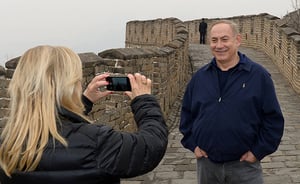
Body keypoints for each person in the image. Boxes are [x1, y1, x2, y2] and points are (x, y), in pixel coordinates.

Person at [0, 45, 168, 184]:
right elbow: (151, 146)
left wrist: (84, 102)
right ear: (70, 86)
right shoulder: (97, 142)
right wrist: (144, 100)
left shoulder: (7, 144)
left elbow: (58, 126)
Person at [180, 20, 284, 184]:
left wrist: (257, 152)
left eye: (224, 39)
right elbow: (186, 113)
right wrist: (193, 144)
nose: (219, 45)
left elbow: (273, 119)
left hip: (244, 168)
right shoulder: (200, 77)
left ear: (237, 40)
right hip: (207, 167)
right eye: (214, 40)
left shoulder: (258, 76)